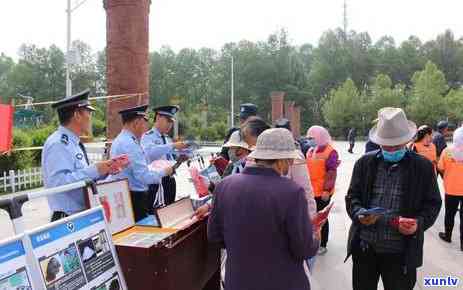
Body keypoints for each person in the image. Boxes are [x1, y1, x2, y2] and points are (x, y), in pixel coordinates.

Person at [208, 128, 318, 290]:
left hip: (238, 281)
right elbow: (303, 248)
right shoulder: (291, 192)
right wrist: (316, 236)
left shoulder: (225, 186)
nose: (291, 164)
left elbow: (214, 236)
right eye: (290, 160)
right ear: (281, 161)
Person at [345, 107, 442, 290]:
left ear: (407, 140)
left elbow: (433, 204)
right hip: (365, 249)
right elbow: (352, 197)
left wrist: (418, 224)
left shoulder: (422, 167)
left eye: (396, 145)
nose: (391, 149)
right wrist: (359, 213)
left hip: (401, 253)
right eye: (386, 145)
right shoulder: (365, 163)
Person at [42, 89, 118, 222]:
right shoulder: (59, 143)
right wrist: (95, 169)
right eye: (89, 112)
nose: (90, 118)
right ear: (77, 115)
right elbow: (59, 183)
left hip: (81, 214)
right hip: (68, 219)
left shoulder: (73, 142)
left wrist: (105, 170)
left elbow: (81, 177)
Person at [110, 105, 174, 222]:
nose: (146, 127)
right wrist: (165, 172)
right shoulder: (130, 144)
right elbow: (144, 177)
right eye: (144, 122)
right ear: (136, 122)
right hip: (135, 198)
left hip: (126, 195)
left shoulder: (121, 140)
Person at [141, 105, 188, 206]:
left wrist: (180, 160)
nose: (170, 124)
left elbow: (170, 163)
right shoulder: (147, 137)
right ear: (158, 118)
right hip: (156, 183)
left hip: (169, 181)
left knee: (168, 215)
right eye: (167, 120)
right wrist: (173, 145)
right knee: (155, 215)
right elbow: (149, 153)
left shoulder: (167, 139)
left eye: (171, 122)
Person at [306, 126, 340, 255]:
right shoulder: (310, 150)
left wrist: (327, 190)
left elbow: (331, 173)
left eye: (311, 138)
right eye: (308, 138)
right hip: (310, 191)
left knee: (321, 219)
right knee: (311, 217)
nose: (309, 140)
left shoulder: (330, 152)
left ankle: (323, 243)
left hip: (322, 192)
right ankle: (313, 240)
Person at [437, 126, 463, 251]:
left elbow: (440, 167)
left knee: (449, 214)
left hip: (451, 189)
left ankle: (448, 236)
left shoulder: (447, 151)